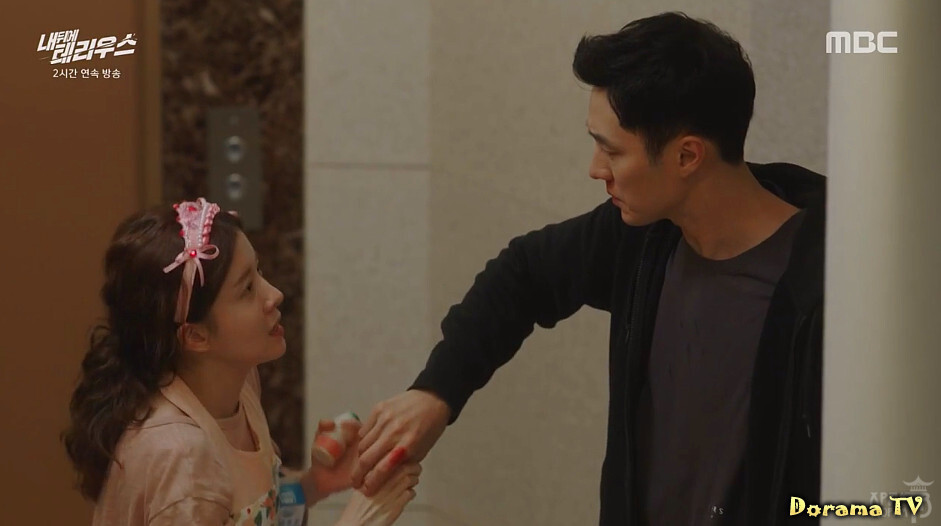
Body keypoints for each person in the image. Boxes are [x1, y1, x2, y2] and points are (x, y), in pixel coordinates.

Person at [351, 11, 825, 526]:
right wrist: (435, 393)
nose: (595, 169)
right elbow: (523, 275)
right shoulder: (644, 239)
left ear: (688, 156)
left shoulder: (828, 282)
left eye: (611, 150)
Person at [63, 198, 420, 525]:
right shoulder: (183, 460)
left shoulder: (240, 387)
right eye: (247, 289)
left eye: (259, 272)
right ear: (195, 336)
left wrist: (314, 484)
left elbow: (247, 514)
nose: (274, 294)